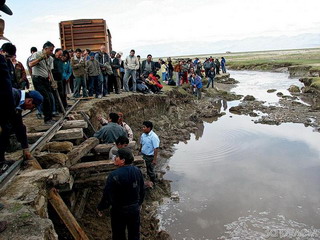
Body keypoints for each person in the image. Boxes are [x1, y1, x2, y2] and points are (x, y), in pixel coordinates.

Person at [97, 148, 145, 240]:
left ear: (122, 161)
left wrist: (101, 207)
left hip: (119, 210)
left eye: (117, 157)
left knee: (118, 235)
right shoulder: (137, 171)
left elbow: (107, 195)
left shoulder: (114, 175)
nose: (115, 158)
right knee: (134, 234)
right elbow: (142, 190)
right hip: (134, 209)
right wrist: (139, 204)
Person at [0, 89, 43, 169]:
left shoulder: (17, 101)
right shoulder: (12, 95)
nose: (29, 109)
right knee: (5, 129)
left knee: (6, 129)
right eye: (32, 107)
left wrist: (25, 147)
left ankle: (1, 161)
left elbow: (19, 126)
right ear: (29, 101)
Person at [28, 41, 55, 124]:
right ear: (45, 49)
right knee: (45, 98)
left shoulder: (50, 58)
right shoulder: (37, 54)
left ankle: (49, 117)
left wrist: (52, 81)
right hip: (38, 79)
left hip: (45, 79)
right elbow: (31, 64)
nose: (52, 52)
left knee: (50, 98)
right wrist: (41, 58)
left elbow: (49, 71)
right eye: (50, 50)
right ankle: (47, 118)